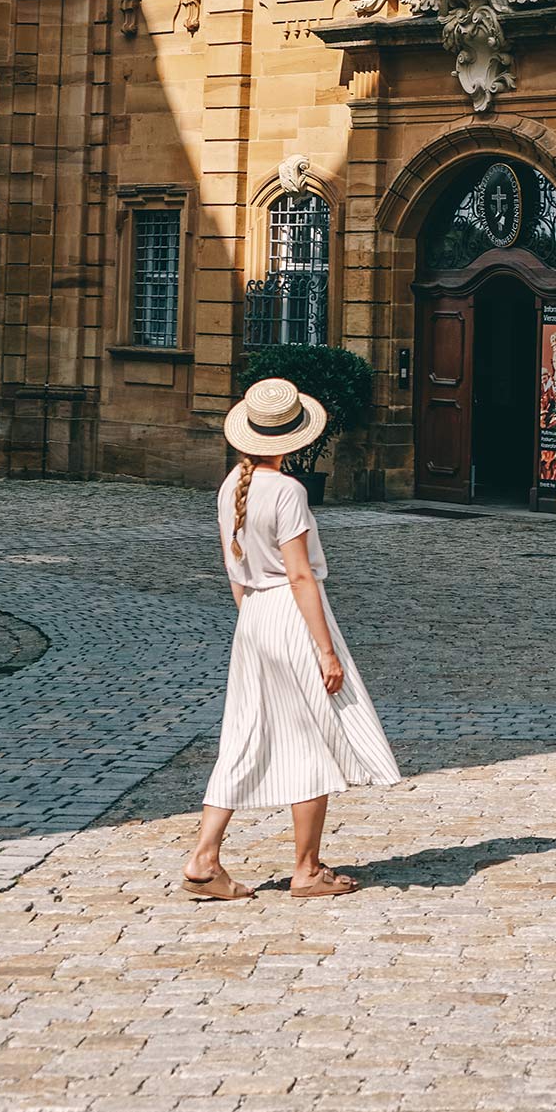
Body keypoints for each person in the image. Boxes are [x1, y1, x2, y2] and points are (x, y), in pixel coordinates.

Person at [182, 376, 400, 903]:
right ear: (296, 438)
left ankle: (204, 857)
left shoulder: (231, 484)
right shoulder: (288, 491)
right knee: (314, 737)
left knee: (243, 735)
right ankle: (306, 869)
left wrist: (254, 623)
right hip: (289, 615)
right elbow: (301, 577)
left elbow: (235, 571)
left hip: (253, 617)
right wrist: (325, 649)